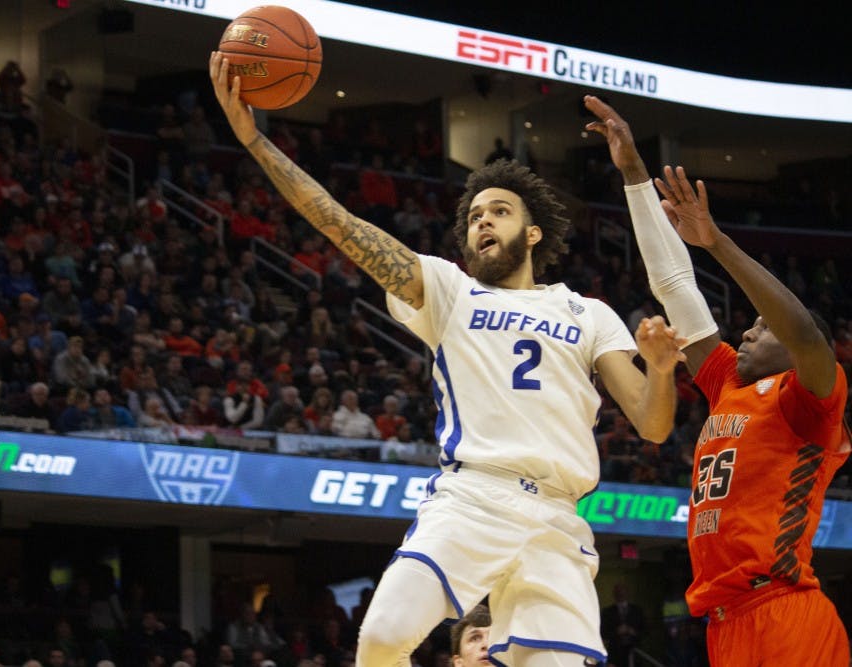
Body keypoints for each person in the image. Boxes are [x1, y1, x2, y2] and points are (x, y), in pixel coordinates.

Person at [211, 53, 685, 667]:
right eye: (474, 216)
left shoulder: (588, 312)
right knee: (382, 635)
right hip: (471, 498)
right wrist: (254, 142)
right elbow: (338, 222)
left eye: (499, 211)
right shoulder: (449, 289)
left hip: (557, 519)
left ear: (533, 232)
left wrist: (664, 370)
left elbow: (652, 424)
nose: (482, 220)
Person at [586, 94, 851, 667]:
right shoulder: (728, 381)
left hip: (785, 611)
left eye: (762, 327)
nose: (749, 332)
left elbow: (804, 334)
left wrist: (719, 244)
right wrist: (634, 174)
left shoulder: (810, 398)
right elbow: (676, 286)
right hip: (725, 621)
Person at [599, 583, 646, 667]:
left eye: (623, 592)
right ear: (614, 594)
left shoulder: (637, 611)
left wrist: (632, 631)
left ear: (627, 593)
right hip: (615, 654)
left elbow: (645, 630)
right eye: (618, 592)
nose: (621, 594)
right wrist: (616, 631)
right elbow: (603, 633)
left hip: (634, 653)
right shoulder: (607, 612)